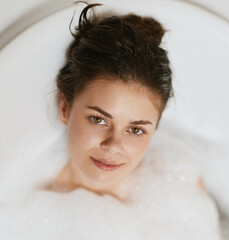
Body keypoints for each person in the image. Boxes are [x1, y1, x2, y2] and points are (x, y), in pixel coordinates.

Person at [46, 2, 208, 203]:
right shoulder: (20, 197)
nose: (113, 146)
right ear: (64, 109)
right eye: (98, 119)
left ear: (155, 131)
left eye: (136, 130)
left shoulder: (181, 187)